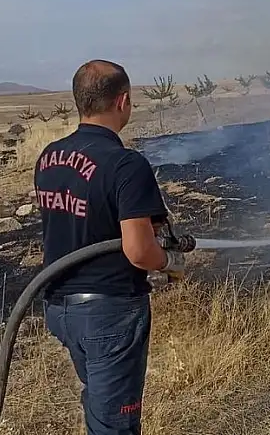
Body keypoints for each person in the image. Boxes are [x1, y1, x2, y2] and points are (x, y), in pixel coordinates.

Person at [33, 59, 184, 435]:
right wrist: (171, 262)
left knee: (100, 407)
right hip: (108, 312)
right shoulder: (126, 164)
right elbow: (138, 250)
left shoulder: (49, 157)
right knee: (116, 424)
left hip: (61, 307)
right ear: (123, 101)